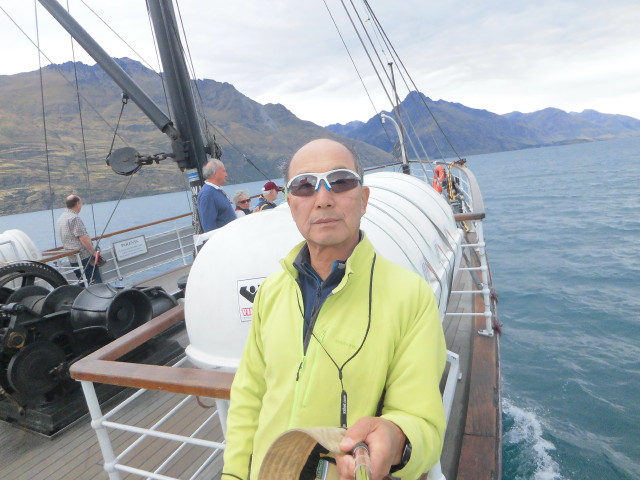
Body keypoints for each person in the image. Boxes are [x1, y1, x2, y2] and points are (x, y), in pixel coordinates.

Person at [222, 139, 446, 480]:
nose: (323, 198)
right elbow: (249, 396)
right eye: (304, 185)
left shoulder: (410, 296)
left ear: (363, 199)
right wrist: (234, 475)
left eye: (340, 181)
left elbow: (422, 420)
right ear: (290, 203)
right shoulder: (271, 291)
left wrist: (397, 440)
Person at [57, 194, 103, 285]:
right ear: (77, 204)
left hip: (73, 259)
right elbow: (83, 238)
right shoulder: (74, 218)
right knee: (95, 283)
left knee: (83, 283)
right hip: (84, 257)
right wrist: (94, 253)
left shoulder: (61, 218)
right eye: (81, 203)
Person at [197, 159, 236, 232]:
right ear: (215, 173)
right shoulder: (207, 194)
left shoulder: (215, 191)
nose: (226, 175)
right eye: (224, 171)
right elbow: (208, 226)